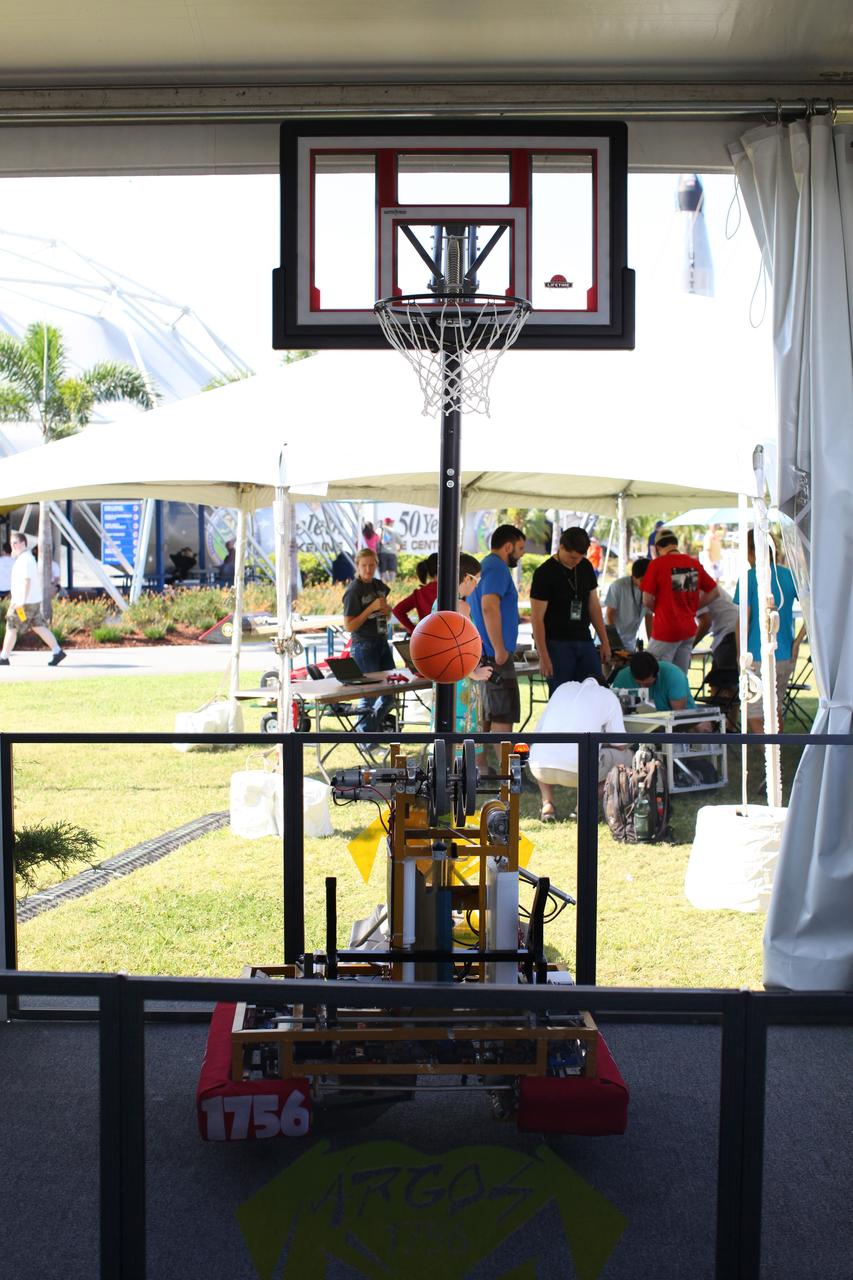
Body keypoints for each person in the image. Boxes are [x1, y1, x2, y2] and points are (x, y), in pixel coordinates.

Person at [528, 676, 632, 822]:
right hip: (579, 769)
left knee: (543, 748)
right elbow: (620, 744)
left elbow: (538, 732)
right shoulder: (608, 696)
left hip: (540, 768)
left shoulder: (562, 689)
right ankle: (581, 806)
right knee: (629, 759)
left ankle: (547, 804)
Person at [733, 530, 802, 733]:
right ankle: (776, 756)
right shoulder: (788, 575)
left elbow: (743, 621)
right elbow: (814, 611)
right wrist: (797, 642)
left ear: (752, 551)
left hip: (755, 654)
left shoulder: (749, 578)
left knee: (753, 712)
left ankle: (771, 758)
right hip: (784, 653)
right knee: (775, 707)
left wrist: (739, 653)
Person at [530, 526, 610, 694]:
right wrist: (544, 656)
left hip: (585, 640)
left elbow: (594, 606)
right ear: (561, 547)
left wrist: (604, 641)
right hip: (557, 644)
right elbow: (537, 618)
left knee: (595, 692)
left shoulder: (585, 567)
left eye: (580, 557)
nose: (576, 561)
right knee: (562, 697)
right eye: (572, 557)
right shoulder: (544, 573)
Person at [468, 523, 525, 736]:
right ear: (508, 547)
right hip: (495, 654)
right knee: (502, 717)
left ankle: (484, 767)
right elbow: (489, 606)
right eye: (520, 549)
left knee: (487, 716)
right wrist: (500, 648)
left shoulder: (486, 566)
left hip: (485, 653)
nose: (521, 555)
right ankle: (500, 768)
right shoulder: (497, 567)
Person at [640, 528, 718, 673]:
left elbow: (646, 599)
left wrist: (658, 608)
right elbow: (714, 592)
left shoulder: (657, 564)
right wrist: (693, 607)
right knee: (679, 678)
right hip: (688, 631)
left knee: (650, 673)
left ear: (658, 548)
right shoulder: (692, 563)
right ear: (675, 544)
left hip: (666, 630)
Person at [431, 554, 492, 733]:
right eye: (477, 580)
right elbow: (461, 648)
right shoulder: (461, 607)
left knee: (443, 738)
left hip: (442, 676)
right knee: (462, 742)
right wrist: (475, 673)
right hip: (460, 681)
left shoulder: (439, 602)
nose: (477, 585)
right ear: (467, 578)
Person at [342, 547, 395, 733]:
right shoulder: (353, 590)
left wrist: (387, 611)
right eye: (364, 565)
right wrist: (370, 608)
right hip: (363, 644)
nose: (368, 569)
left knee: (390, 692)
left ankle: (368, 730)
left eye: (372, 565)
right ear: (357, 566)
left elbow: (385, 615)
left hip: (381, 641)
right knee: (369, 694)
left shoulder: (379, 586)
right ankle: (366, 739)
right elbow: (349, 626)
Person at [0, 532, 66, 668]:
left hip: (23, 603)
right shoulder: (26, 558)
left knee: (11, 626)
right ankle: (57, 651)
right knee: (38, 626)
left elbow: (27, 581)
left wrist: (21, 601)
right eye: (12, 544)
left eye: (14, 544)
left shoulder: (25, 560)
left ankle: (4, 657)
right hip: (31, 602)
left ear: (22, 543)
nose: (12, 547)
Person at [612, 650, 696, 711]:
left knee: (702, 728)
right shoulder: (622, 677)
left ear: (657, 674)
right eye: (638, 683)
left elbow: (678, 715)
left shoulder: (674, 677)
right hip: (640, 723)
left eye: (648, 684)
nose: (643, 687)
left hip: (677, 718)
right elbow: (616, 712)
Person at [604, 557, 651, 650]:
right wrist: (614, 641)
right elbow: (609, 615)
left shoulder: (650, 589)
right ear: (633, 577)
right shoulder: (618, 586)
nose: (646, 583)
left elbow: (649, 617)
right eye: (642, 580)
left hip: (630, 642)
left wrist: (651, 642)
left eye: (649, 580)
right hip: (611, 639)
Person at [392, 553, 438, 634]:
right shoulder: (454, 590)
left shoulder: (420, 593)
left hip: (426, 639)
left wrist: (414, 631)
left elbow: (397, 610)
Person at [378, 517, 403, 583]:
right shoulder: (394, 531)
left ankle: (385, 585)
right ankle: (392, 586)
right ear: (390, 523)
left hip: (382, 553)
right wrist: (398, 551)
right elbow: (401, 543)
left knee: (383, 572)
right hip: (392, 553)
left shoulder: (379, 530)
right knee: (392, 572)